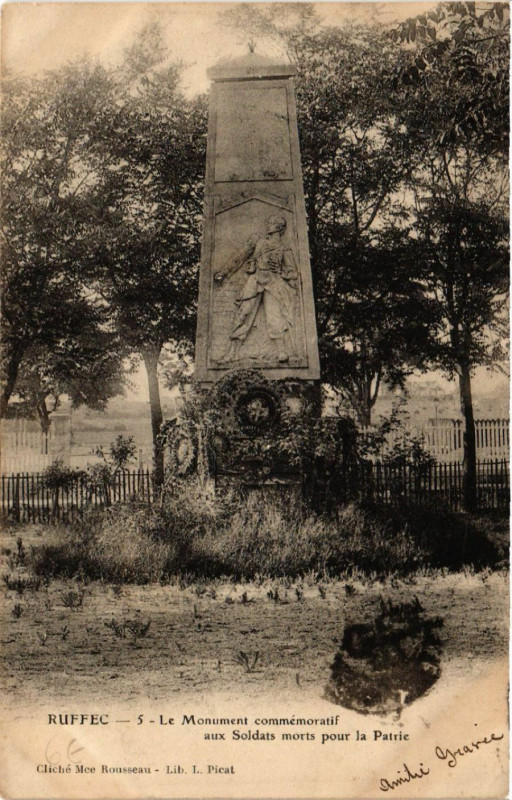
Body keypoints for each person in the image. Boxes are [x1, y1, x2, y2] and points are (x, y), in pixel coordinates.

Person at [214, 214, 298, 363]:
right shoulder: (257, 240)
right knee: (243, 314)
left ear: (280, 228)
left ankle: (281, 352)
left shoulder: (284, 249)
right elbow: (240, 256)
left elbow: (293, 272)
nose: (268, 224)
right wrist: (224, 272)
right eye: (269, 221)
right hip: (255, 281)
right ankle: (232, 353)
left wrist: (281, 272)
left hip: (273, 284)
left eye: (272, 222)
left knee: (275, 318)